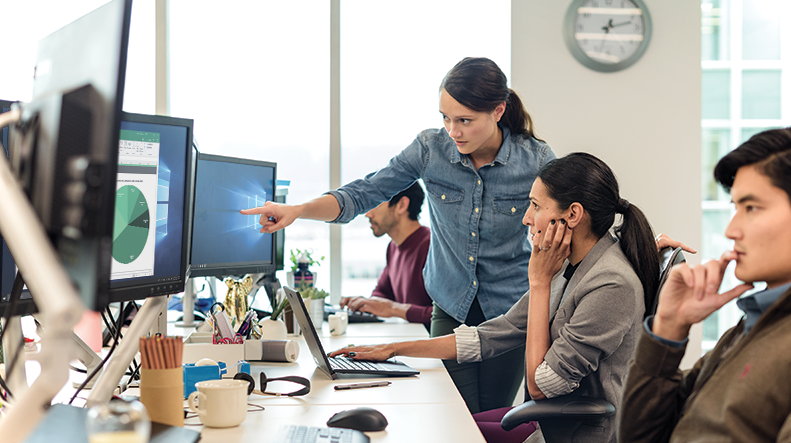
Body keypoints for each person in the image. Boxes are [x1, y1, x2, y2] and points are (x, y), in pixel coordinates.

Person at [242, 57, 556, 413]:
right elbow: (363, 193)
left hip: (510, 312)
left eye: (465, 121)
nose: (453, 131)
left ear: (498, 111)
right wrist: (299, 211)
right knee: (455, 413)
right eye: (446, 118)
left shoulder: (536, 160)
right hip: (451, 305)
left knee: (490, 416)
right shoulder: (430, 149)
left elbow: (563, 229)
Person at [330, 152, 660, 443]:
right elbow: (496, 333)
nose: (526, 218)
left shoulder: (608, 284)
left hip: (572, 432)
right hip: (550, 420)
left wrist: (539, 282)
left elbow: (540, 386)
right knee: (450, 423)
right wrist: (394, 350)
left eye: (535, 206)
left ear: (572, 215)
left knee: (442, 434)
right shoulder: (569, 264)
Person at [619, 128, 791, 443]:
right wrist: (668, 328)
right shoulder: (749, 325)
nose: (731, 230)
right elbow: (639, 435)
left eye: (751, 208)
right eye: (734, 208)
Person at [339, 182, 433, 329]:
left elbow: (447, 316)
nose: (367, 214)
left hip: (430, 345)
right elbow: (382, 292)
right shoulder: (393, 246)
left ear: (401, 205)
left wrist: (393, 309)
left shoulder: (431, 247)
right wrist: (366, 303)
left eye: (375, 204)